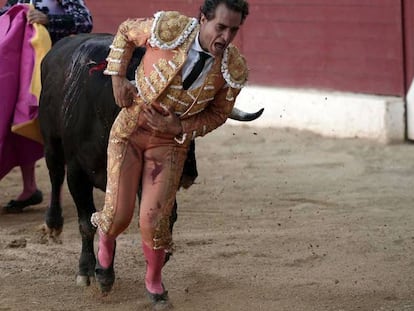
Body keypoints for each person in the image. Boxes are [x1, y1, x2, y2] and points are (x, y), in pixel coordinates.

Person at [90, 0, 249, 308]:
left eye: (234, 30)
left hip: (171, 143)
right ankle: (105, 252)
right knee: (120, 214)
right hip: (132, 130)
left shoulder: (233, 67)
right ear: (203, 18)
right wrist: (118, 78)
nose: (226, 37)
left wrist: (178, 124)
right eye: (221, 27)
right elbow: (125, 33)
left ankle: (153, 281)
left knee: (154, 220)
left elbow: (217, 115)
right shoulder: (169, 29)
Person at [0, 0, 93, 213]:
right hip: (23, 71)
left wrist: (49, 20)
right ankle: (30, 188)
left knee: (58, 133)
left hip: (59, 72)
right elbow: (4, 20)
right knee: (21, 121)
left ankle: (57, 198)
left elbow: (85, 21)